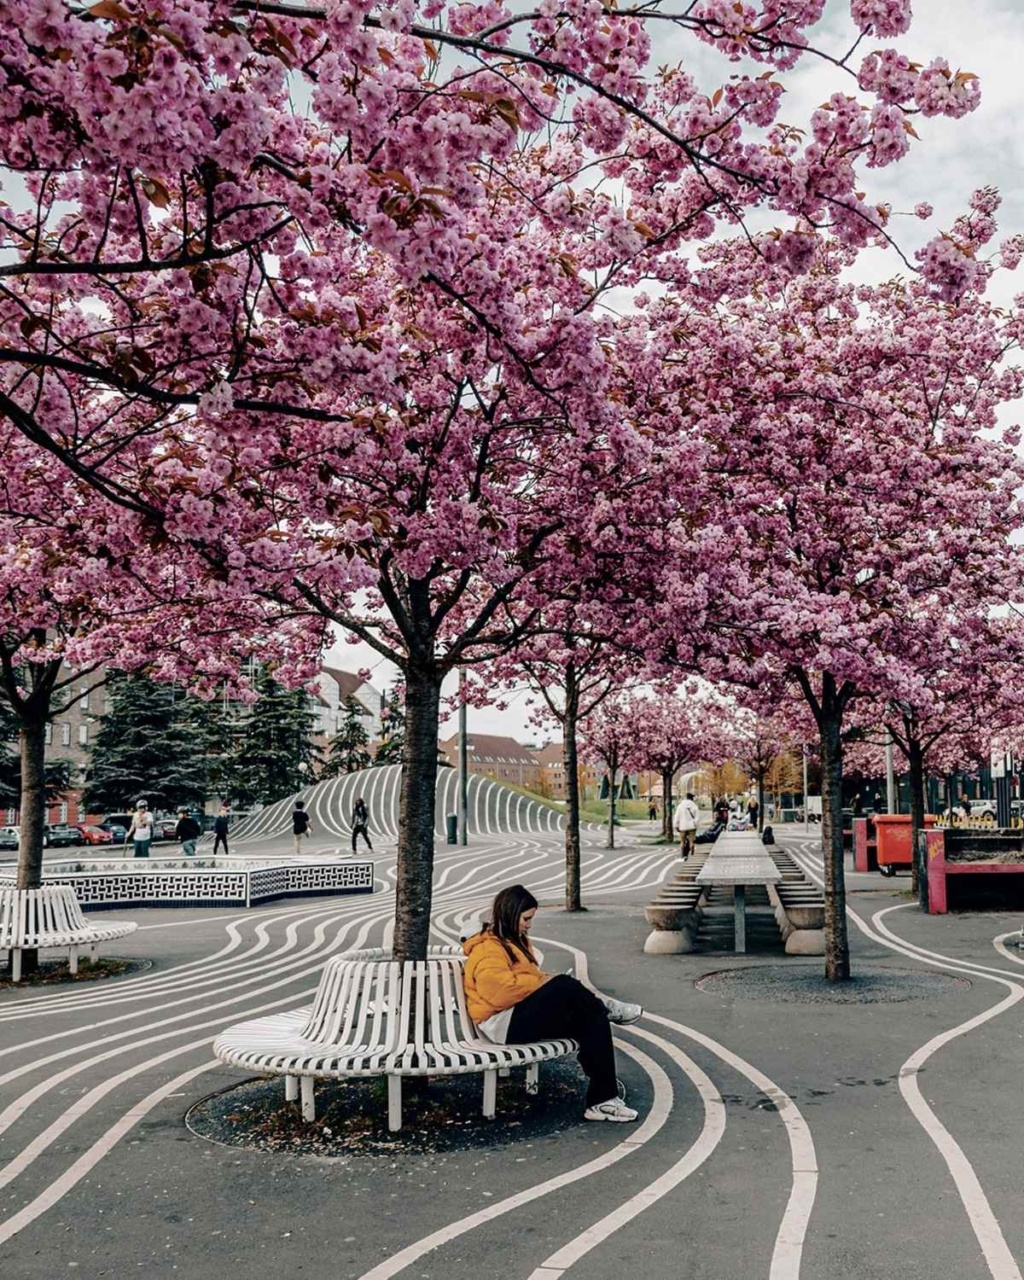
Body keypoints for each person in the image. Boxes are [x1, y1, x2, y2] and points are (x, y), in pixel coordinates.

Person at [463, 885, 641, 1122]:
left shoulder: (516, 942)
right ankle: (606, 1007)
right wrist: (545, 983)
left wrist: (542, 983)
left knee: (591, 1018)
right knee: (564, 985)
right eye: (526, 918)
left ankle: (602, 1100)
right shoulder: (488, 948)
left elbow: (524, 983)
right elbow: (501, 992)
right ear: (510, 913)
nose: (529, 924)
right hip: (501, 1023)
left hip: (517, 1014)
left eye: (531, 919)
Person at [674, 792, 700, 859]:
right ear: (692, 798)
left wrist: (676, 825)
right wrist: (696, 825)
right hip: (692, 826)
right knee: (691, 841)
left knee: (682, 841)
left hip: (683, 826)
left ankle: (682, 853)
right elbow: (697, 817)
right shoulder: (694, 806)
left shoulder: (680, 806)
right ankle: (691, 849)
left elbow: (677, 816)